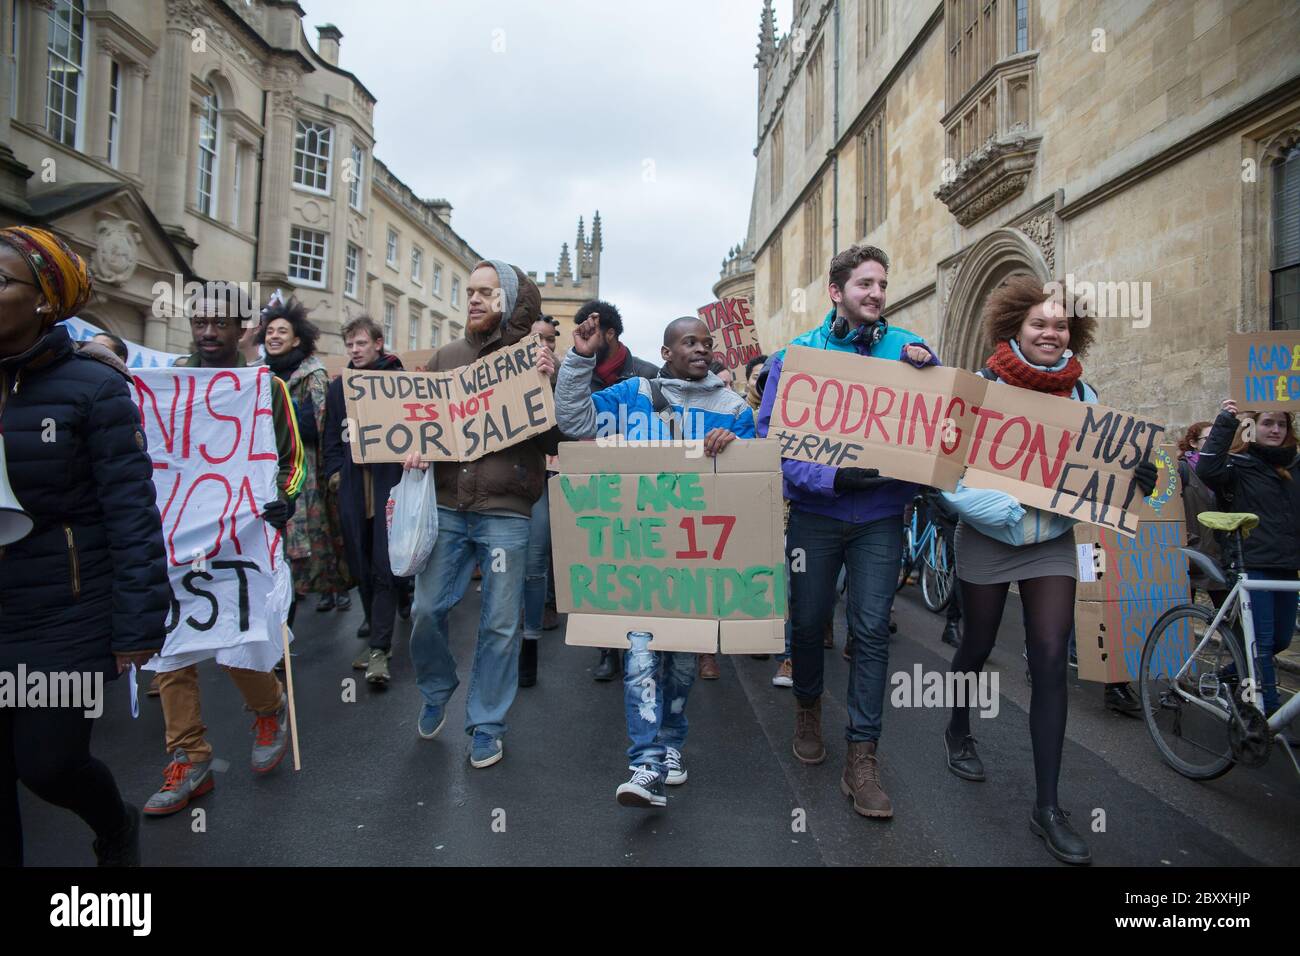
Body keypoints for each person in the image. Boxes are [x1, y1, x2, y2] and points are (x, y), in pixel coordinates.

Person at [938, 274, 1156, 865]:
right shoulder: (981, 386)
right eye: (1039, 323)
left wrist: (1138, 477)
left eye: (1060, 325)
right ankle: (958, 727)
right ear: (1016, 327)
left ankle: (1048, 807)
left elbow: (1105, 471)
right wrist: (994, 507)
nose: (1050, 333)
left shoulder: (1084, 395)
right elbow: (948, 471)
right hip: (988, 534)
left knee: (1052, 658)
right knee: (977, 644)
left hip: (1051, 543)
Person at [0, 226, 168, 866]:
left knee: (48, 764)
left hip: (65, 615)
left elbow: (131, 512)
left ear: (45, 299)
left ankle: (115, 824)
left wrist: (137, 623)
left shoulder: (94, 387)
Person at [757, 244, 939, 820]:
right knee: (809, 622)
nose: (876, 293)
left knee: (871, 631)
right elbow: (772, 442)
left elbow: (937, 414)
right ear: (836, 292)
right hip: (817, 516)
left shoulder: (907, 349)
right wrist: (832, 477)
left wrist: (929, 368)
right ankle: (808, 710)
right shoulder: (798, 357)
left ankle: (862, 757)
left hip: (880, 518)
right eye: (864, 284)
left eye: (882, 284)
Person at [556, 312, 755, 807]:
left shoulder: (734, 409)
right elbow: (575, 421)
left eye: (707, 342)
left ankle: (670, 745)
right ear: (666, 352)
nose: (701, 348)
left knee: (683, 665)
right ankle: (645, 764)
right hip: (641, 559)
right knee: (641, 658)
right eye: (689, 342)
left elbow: (754, 485)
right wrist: (579, 359)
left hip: (697, 562)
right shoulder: (634, 395)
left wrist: (736, 447)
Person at [144, 289, 304, 815]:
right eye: (200, 323)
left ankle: (269, 708)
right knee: (172, 641)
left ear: (243, 329)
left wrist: (284, 498)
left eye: (220, 323)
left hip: (239, 532)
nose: (208, 333)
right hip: (176, 532)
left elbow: (292, 459)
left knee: (235, 636)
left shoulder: (264, 387)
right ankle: (189, 756)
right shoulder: (166, 384)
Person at [403, 261, 559, 769]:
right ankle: (437, 687)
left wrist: (549, 384)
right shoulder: (445, 358)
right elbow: (419, 427)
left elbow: (554, 441)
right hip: (447, 506)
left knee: (499, 624)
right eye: (470, 291)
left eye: (486, 293)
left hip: (506, 513)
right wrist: (414, 450)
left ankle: (487, 724)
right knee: (426, 610)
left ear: (509, 302)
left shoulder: (532, 360)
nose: (473, 299)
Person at [1196, 403, 1299, 718]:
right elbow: (1206, 469)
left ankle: (1233, 673)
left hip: (1286, 565)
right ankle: (1268, 719)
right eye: (1268, 423)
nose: (1276, 429)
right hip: (1251, 564)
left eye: (1281, 424)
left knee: (1280, 639)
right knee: (1262, 643)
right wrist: (1227, 420)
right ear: (1252, 427)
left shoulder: (1295, 465)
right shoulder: (1237, 465)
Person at [575, 298, 659, 681]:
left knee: (638, 572)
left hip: (644, 491)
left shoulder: (647, 374)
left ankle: (640, 643)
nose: (585, 339)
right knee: (603, 569)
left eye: (592, 332)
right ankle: (607, 649)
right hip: (597, 490)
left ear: (610, 334)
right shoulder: (578, 375)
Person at [258, 299, 354, 626]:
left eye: (282, 331)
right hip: (262, 471)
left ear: (296, 338)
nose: (274, 336)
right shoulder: (257, 374)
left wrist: (288, 417)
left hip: (303, 471)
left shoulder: (313, 375)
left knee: (297, 550)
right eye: (270, 331)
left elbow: (321, 427)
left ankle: (288, 627)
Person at [322, 316, 405, 683]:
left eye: (361, 343)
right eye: (350, 345)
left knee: (384, 564)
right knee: (361, 562)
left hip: (389, 483)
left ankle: (379, 649)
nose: (355, 350)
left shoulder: (399, 380)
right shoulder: (337, 389)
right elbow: (331, 438)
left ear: (378, 343)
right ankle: (377, 625)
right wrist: (336, 475)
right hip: (355, 489)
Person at [519, 315, 560, 688]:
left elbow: (566, 431)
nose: (542, 346)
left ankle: (529, 636)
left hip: (545, 476)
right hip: (507, 481)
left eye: (549, 340)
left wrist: (557, 379)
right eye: (536, 339)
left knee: (537, 555)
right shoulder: (505, 373)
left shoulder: (562, 375)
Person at [1178, 421, 1228, 608]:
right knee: (1182, 615)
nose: (1215, 442)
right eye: (1209, 438)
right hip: (1192, 552)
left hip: (1218, 554)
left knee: (1230, 616)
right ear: (1193, 443)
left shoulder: (1224, 469)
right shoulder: (1181, 470)